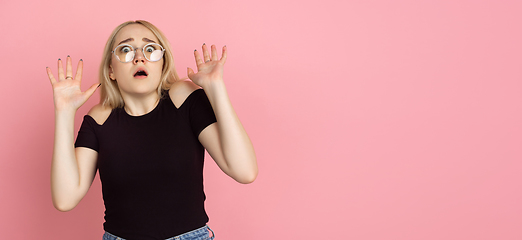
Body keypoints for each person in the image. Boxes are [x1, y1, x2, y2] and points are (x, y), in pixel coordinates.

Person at [46, 20, 258, 240]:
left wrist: (216, 88)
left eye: (150, 49)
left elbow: (244, 171)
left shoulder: (183, 98)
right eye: (126, 50)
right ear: (111, 70)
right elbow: (64, 199)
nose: (139, 57)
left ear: (162, 65)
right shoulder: (99, 118)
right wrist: (64, 112)